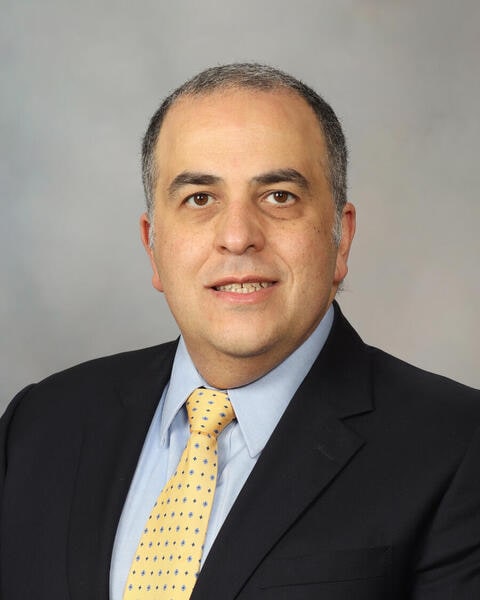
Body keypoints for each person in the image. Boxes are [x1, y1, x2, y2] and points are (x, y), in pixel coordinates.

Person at [1, 63, 479, 600]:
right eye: (199, 199)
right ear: (152, 246)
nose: (237, 236)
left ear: (340, 238)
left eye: (279, 196)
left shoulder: (458, 447)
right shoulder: (38, 426)